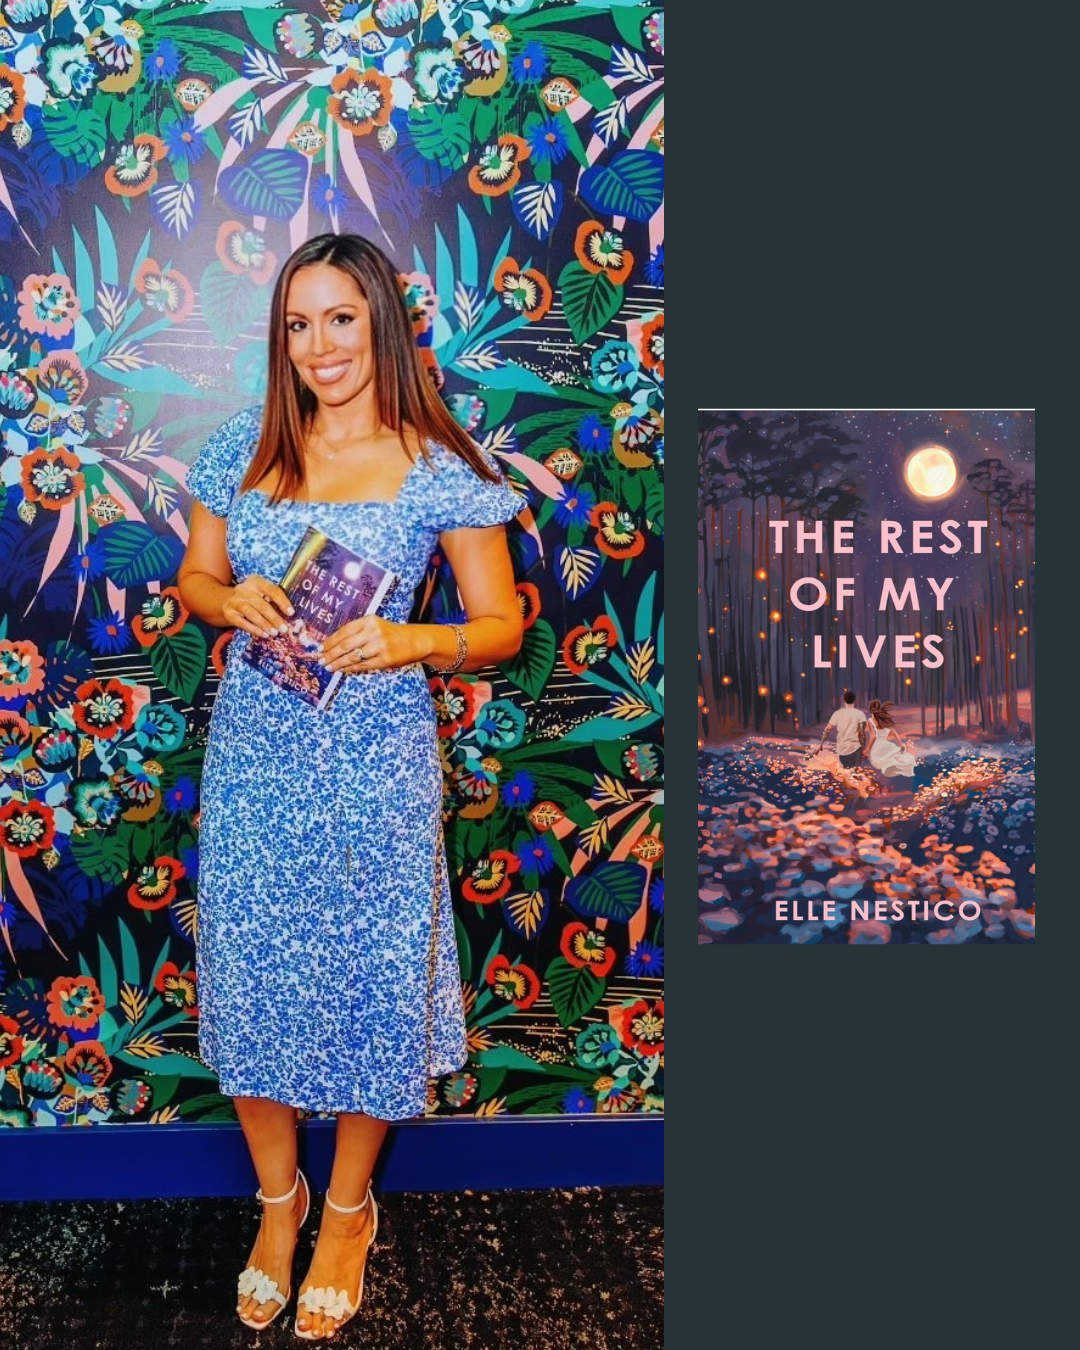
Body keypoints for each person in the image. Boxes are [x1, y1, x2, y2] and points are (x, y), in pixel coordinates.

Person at [177, 232, 524, 1340]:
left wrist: (417, 637)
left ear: (381, 319)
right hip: (257, 763)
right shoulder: (247, 444)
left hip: (378, 767)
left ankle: (346, 1212)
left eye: (338, 318)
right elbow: (196, 574)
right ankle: (276, 1210)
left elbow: (502, 625)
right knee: (256, 967)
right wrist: (227, 605)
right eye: (296, 323)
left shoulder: (442, 467)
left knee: (376, 979)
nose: (318, 346)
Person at [863, 699, 918, 780]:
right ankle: (894, 768)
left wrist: (868, 749)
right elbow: (894, 733)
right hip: (886, 744)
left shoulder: (870, 721)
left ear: (871, 710)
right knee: (893, 756)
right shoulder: (885, 720)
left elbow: (873, 737)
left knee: (877, 762)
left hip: (877, 746)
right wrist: (900, 745)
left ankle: (891, 769)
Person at [818, 689, 867, 768]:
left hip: (842, 748)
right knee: (855, 774)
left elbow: (827, 729)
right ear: (854, 700)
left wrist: (821, 743)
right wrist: (864, 748)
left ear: (844, 700)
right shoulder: (860, 714)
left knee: (846, 771)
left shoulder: (837, 713)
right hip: (856, 748)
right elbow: (861, 732)